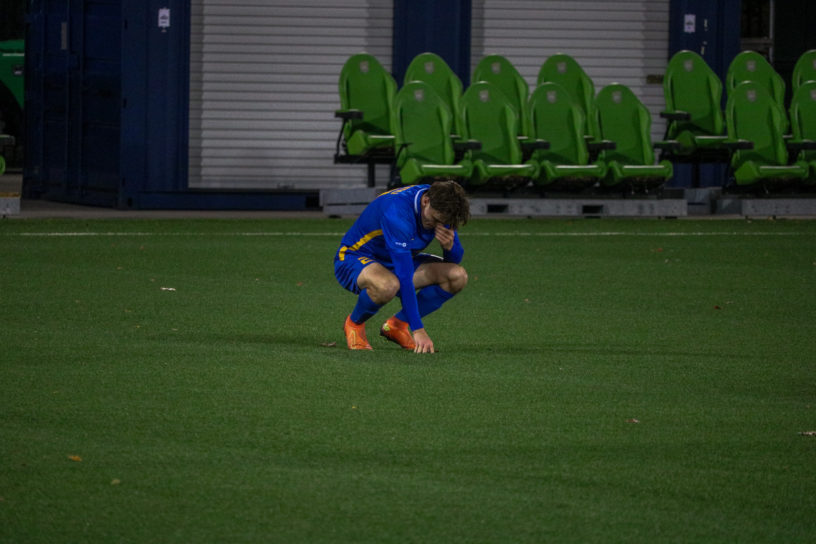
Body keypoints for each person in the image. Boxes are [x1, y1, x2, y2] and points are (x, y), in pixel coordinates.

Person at [334, 180, 471, 354]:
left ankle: (397, 326)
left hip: (397, 260)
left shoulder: (442, 206)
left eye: (443, 223)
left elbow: (453, 261)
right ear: (425, 201)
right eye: (435, 220)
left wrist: (449, 247)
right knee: (387, 285)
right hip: (354, 258)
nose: (438, 225)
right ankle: (354, 323)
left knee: (457, 276)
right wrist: (418, 329)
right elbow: (404, 276)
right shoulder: (398, 212)